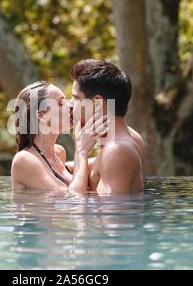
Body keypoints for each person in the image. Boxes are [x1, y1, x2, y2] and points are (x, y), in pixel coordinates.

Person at [11, 81, 109, 191]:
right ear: (42, 115)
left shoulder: (59, 153)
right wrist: (81, 152)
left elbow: (99, 163)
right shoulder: (24, 159)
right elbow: (72, 199)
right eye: (61, 103)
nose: (71, 105)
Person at [69, 59, 145, 194]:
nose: (70, 105)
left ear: (98, 102)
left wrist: (81, 152)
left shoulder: (116, 150)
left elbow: (110, 213)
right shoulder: (132, 137)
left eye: (76, 98)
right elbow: (101, 166)